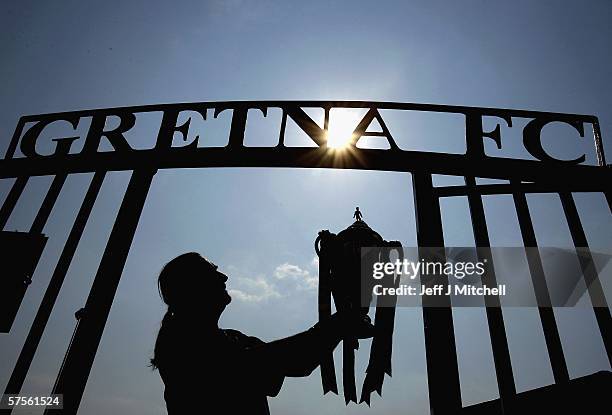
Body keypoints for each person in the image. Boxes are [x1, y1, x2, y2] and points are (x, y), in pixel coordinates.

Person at [151, 252, 370, 414]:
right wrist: (339, 323)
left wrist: (342, 320)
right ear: (193, 288)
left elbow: (286, 366)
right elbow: (287, 360)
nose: (224, 277)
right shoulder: (184, 348)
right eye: (213, 272)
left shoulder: (231, 338)